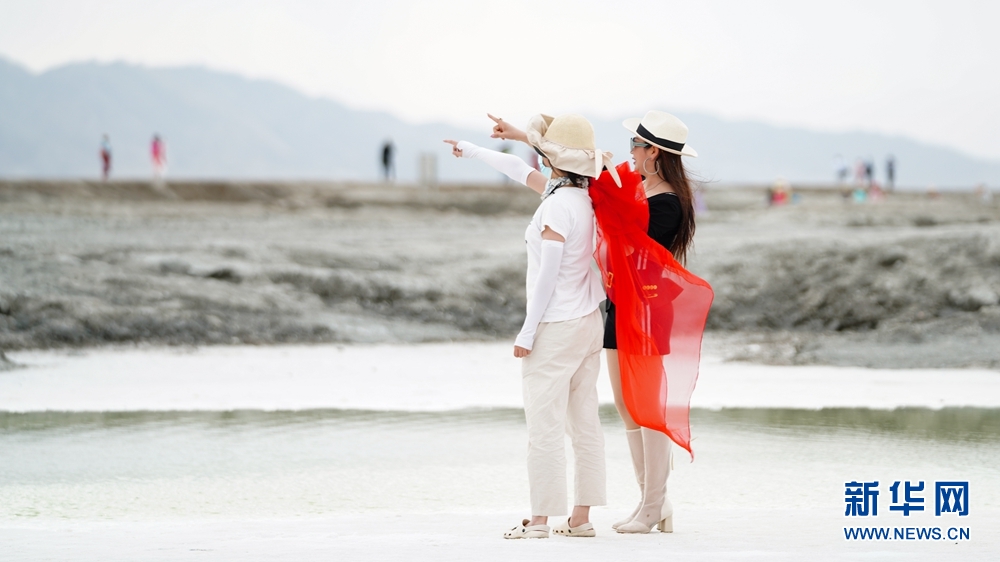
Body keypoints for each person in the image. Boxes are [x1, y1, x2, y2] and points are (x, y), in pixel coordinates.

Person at [488, 110, 713, 535]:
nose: (630, 153)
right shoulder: (637, 190)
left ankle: (653, 503)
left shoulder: (666, 203)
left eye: (636, 146)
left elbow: (634, 248)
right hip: (618, 307)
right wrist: (523, 136)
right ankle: (651, 500)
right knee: (627, 407)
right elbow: (570, 169)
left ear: (654, 153)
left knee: (647, 407)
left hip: (648, 310)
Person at [444, 113, 618, 539]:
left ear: (553, 158)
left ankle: (539, 521)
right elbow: (518, 168)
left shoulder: (556, 205)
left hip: (556, 328)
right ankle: (580, 519)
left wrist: (527, 331)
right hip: (588, 322)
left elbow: (547, 276)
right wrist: (473, 150)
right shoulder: (583, 199)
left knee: (544, 426)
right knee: (584, 423)